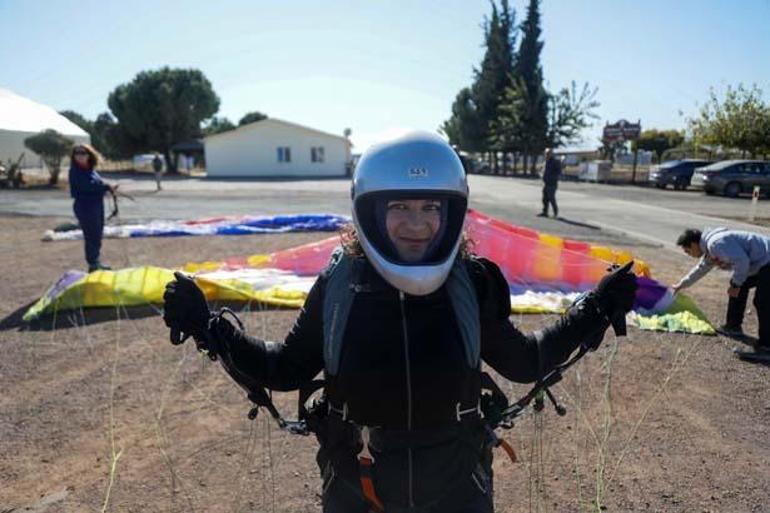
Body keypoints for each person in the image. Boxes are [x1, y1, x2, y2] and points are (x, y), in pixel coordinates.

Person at [162, 131, 637, 513]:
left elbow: (525, 361)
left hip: (458, 487)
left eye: (432, 207)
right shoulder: (341, 282)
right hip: (358, 485)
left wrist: (594, 307)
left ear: (452, 212)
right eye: (400, 207)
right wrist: (209, 326)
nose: (418, 223)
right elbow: (285, 368)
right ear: (369, 210)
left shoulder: (471, 283)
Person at [673, 228, 770, 350]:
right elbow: (701, 269)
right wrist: (682, 284)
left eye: (688, 251)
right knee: (739, 285)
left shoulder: (715, 244)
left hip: (767, 261)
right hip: (762, 263)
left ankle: (766, 346)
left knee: (763, 300)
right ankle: (733, 326)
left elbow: (742, 262)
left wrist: (736, 285)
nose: (689, 255)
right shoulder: (710, 248)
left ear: (693, 244)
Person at [68, 144, 116, 272]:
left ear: (89, 155)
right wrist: (106, 187)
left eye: (83, 153)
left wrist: (106, 187)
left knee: (97, 234)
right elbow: (87, 187)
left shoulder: (90, 170)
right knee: (91, 235)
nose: (80, 156)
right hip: (85, 206)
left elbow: (95, 184)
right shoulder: (75, 171)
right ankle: (93, 264)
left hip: (96, 205)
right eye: (77, 153)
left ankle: (96, 261)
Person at [537, 148, 561, 218]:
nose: (546, 155)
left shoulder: (555, 161)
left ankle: (555, 213)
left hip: (552, 183)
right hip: (546, 183)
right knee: (544, 198)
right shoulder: (545, 161)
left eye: (548, 153)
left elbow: (559, 172)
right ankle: (545, 212)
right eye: (546, 153)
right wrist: (541, 174)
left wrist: (553, 178)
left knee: (551, 198)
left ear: (551, 153)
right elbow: (542, 170)